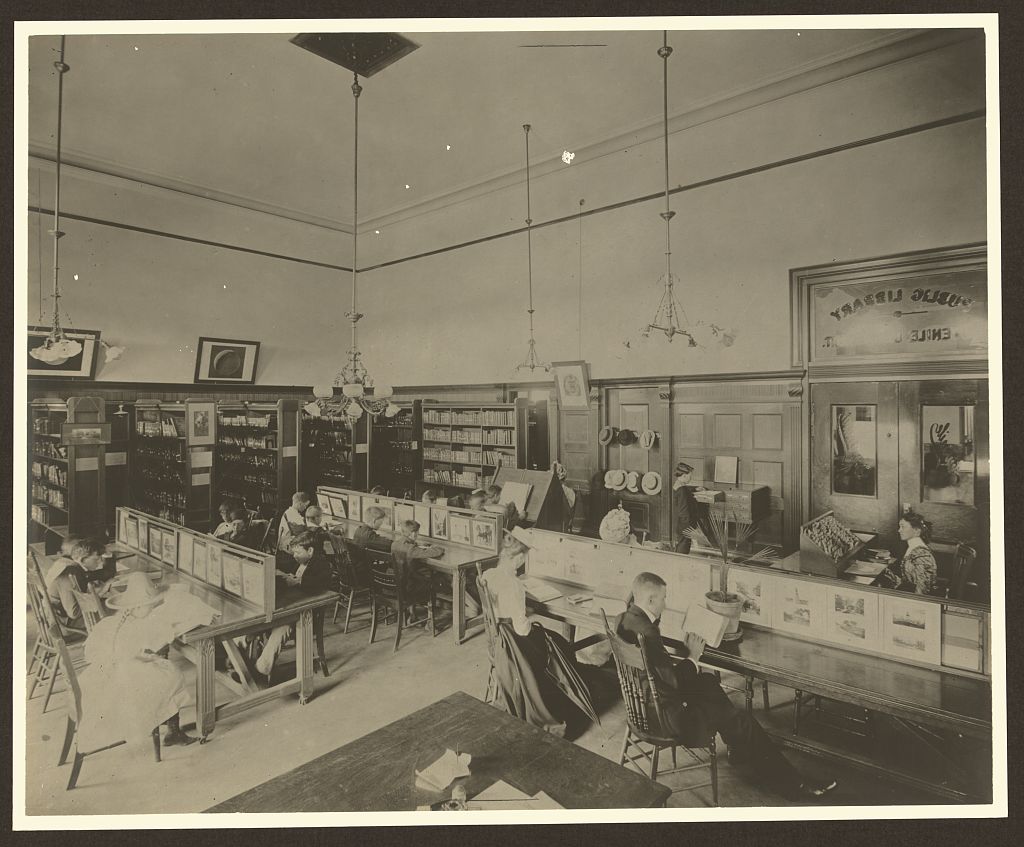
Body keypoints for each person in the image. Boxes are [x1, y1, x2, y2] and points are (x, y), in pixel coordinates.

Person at [616, 572, 837, 800]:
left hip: (642, 709)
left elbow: (659, 672)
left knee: (707, 681)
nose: (666, 603)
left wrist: (684, 656)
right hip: (668, 719)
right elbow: (673, 682)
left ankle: (738, 745)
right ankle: (793, 785)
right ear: (651, 600)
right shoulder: (649, 633)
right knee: (744, 722)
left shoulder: (625, 619)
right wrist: (692, 656)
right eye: (663, 598)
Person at [479, 528, 599, 737]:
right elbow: (522, 629)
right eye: (525, 557)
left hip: (498, 640)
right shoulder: (514, 584)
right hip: (514, 646)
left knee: (556, 641)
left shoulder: (489, 575)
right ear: (517, 558)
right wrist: (529, 617)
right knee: (560, 645)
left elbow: (502, 607)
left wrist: (522, 609)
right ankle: (565, 693)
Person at [78, 572, 197, 751]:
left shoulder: (113, 621)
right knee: (171, 673)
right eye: (152, 605)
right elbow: (159, 641)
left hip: (103, 673)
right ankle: (173, 731)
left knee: (160, 666)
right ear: (140, 607)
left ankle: (170, 727)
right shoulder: (139, 625)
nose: (154, 607)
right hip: (123, 680)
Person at [253, 531, 334, 679]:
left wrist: (298, 582)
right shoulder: (302, 561)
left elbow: (318, 585)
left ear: (310, 551)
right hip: (295, 606)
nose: (294, 555)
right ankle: (247, 662)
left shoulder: (322, 564)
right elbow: (286, 566)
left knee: (282, 627)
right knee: (262, 619)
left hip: (308, 615)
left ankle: (262, 668)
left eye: (297, 552)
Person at [45, 536, 116, 623]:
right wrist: (102, 591)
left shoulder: (73, 565)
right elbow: (74, 613)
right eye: (96, 559)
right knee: (116, 611)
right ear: (82, 559)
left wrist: (108, 554)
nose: (100, 562)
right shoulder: (70, 574)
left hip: (62, 615)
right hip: (62, 622)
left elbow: (105, 574)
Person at [390, 519, 445, 611]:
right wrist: (439, 548)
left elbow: (409, 547)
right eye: (417, 532)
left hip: (396, 581)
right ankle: (432, 611)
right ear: (413, 534)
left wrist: (416, 544)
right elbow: (432, 553)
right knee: (436, 578)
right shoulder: (411, 549)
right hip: (408, 585)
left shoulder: (394, 544)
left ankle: (413, 611)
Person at [880, 511, 938, 595]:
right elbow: (910, 578)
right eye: (900, 527)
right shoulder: (913, 547)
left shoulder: (921, 554)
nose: (899, 530)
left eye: (903, 527)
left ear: (916, 531)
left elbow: (922, 588)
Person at [672, 462, 706, 554]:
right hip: (685, 523)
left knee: (682, 544)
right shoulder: (682, 490)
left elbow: (685, 489)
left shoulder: (678, 485)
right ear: (683, 476)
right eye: (689, 476)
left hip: (680, 523)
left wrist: (695, 489)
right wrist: (690, 527)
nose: (691, 478)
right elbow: (683, 511)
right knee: (684, 546)